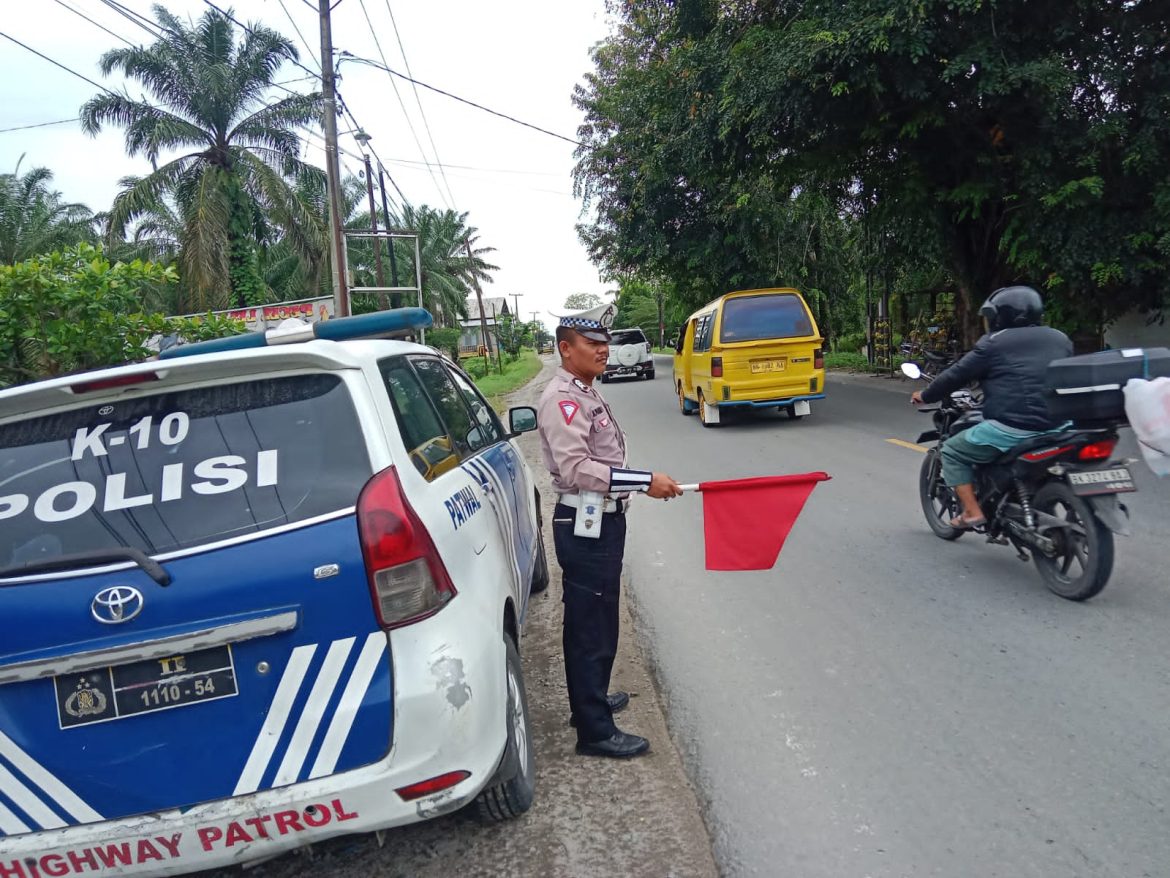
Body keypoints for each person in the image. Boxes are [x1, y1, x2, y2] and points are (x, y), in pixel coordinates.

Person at [537, 302, 684, 759]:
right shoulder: (563, 399)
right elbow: (579, 467)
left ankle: (592, 699)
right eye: (592, 344)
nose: (604, 350)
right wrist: (646, 482)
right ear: (565, 349)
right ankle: (594, 730)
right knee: (590, 625)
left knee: (599, 618)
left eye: (606, 343)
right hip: (585, 523)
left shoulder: (585, 390)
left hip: (601, 519)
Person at [912, 285, 1073, 528]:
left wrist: (925, 395)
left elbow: (955, 375)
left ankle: (972, 512)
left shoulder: (994, 343)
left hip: (1016, 427)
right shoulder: (1060, 338)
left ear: (1001, 316)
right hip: (1062, 425)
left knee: (953, 451)